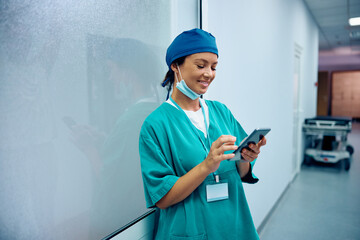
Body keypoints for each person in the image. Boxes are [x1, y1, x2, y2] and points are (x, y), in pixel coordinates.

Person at [139, 28, 267, 240]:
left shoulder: (221, 112)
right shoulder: (156, 125)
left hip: (232, 225)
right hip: (189, 230)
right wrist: (207, 166)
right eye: (201, 65)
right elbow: (161, 198)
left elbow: (242, 173)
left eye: (214, 67)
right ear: (175, 66)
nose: (209, 73)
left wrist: (246, 158)